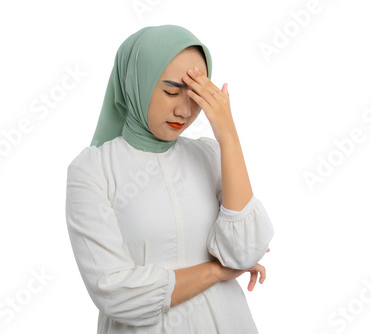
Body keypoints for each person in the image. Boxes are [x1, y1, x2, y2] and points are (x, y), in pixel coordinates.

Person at [65, 24, 274, 334]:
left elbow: (245, 251)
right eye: (171, 91)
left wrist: (228, 137)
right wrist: (217, 271)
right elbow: (115, 292)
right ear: (137, 82)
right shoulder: (93, 170)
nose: (184, 110)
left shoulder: (210, 155)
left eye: (196, 96)